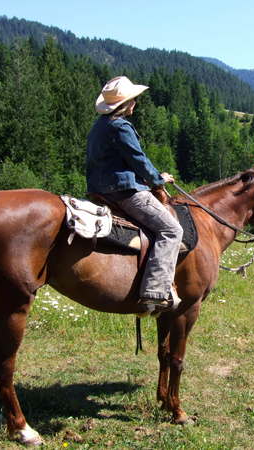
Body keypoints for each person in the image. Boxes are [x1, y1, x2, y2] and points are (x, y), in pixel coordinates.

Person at [86, 76, 183, 312]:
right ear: (128, 103)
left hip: (98, 191)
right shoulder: (121, 127)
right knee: (172, 230)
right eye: (134, 99)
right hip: (125, 193)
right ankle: (155, 292)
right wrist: (159, 180)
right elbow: (139, 160)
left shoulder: (99, 125)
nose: (135, 103)